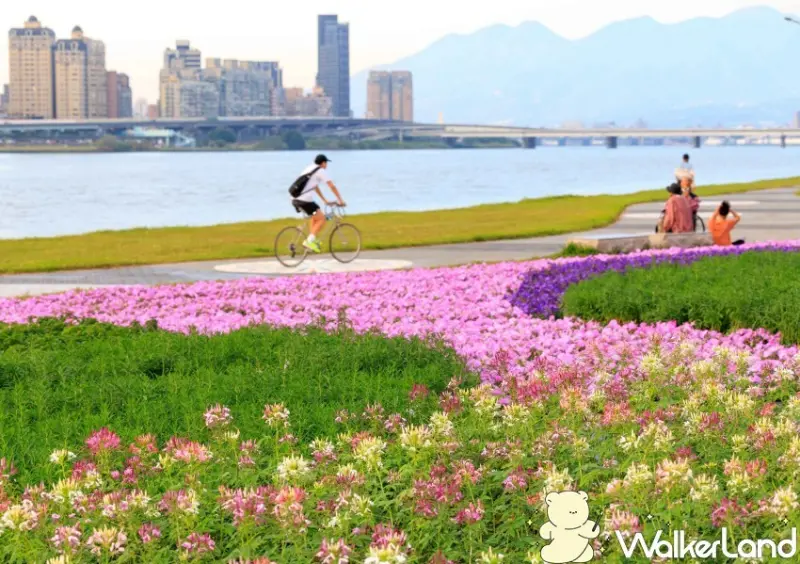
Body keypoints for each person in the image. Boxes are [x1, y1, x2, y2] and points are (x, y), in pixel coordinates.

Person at [290, 154, 346, 253]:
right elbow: (331, 186)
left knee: (315, 215)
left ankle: (312, 239)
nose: (326, 165)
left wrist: (324, 200)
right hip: (304, 201)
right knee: (322, 219)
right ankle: (309, 241)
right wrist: (340, 200)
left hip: (296, 199)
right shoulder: (320, 171)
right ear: (323, 163)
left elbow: (315, 186)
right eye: (326, 163)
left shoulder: (310, 168)